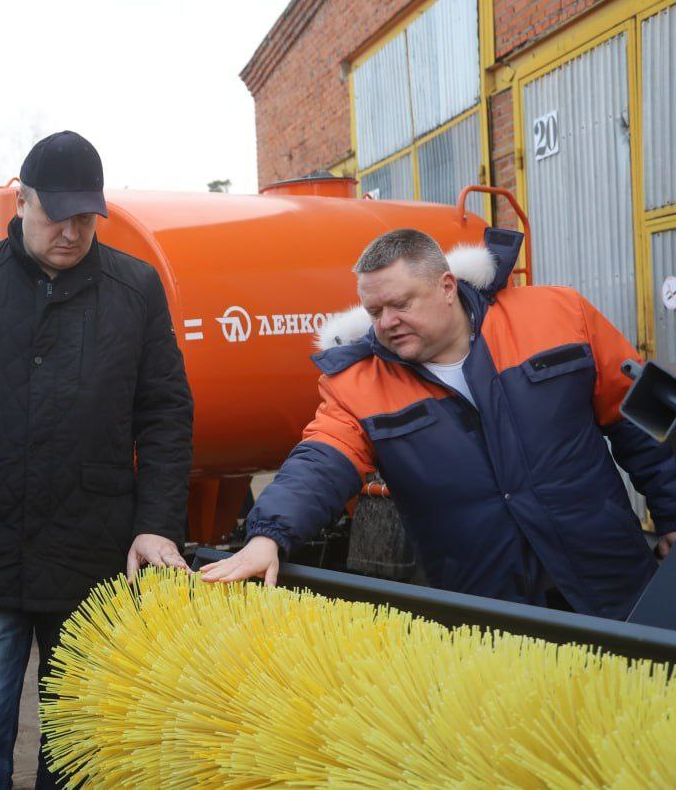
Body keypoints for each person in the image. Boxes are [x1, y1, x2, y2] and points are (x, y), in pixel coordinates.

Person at [0, 130, 194, 788]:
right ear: (21, 199)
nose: (74, 230)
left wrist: (158, 523)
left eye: (87, 216)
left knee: (81, 741)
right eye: (58, 213)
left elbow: (165, 414)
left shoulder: (134, 288)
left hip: (92, 553)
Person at [201, 226, 676, 620]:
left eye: (401, 304)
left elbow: (644, 419)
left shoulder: (558, 315)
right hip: (486, 610)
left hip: (611, 580)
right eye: (374, 311)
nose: (386, 323)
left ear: (447, 287)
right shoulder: (359, 385)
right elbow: (319, 462)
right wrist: (269, 535)